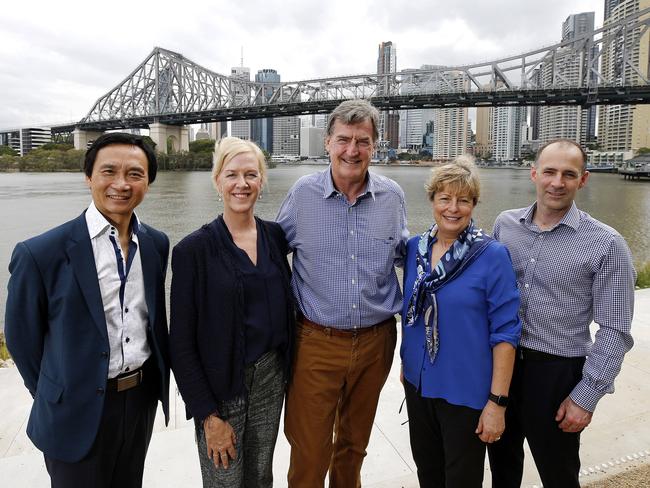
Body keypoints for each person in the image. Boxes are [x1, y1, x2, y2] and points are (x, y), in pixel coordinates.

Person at [5, 132, 170, 488]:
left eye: (135, 174)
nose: (121, 184)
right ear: (89, 177)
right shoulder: (40, 253)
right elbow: (21, 338)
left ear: (149, 182)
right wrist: (57, 391)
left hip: (139, 400)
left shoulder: (157, 244)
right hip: (75, 408)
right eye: (108, 171)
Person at [488, 139, 636, 487]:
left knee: (558, 474)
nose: (557, 182)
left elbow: (615, 329)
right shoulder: (504, 225)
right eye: (550, 172)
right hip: (501, 366)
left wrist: (586, 397)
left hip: (557, 371)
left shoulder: (606, 243)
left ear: (582, 180)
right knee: (502, 468)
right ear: (534, 173)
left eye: (568, 174)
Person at [276, 98, 408, 487]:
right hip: (317, 341)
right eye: (344, 140)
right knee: (310, 450)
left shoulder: (392, 196)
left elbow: (408, 256)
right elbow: (268, 253)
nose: (353, 150)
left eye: (363, 141)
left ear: (375, 145)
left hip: (377, 341)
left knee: (353, 447)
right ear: (328, 144)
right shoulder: (303, 195)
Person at [170, 137, 294, 487]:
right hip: (221, 386)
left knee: (260, 475)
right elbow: (180, 343)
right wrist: (207, 415)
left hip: (271, 378)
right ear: (217, 182)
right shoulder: (192, 250)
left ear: (261, 181)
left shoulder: (274, 236)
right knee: (224, 479)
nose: (242, 184)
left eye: (251, 175)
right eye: (232, 175)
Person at [401, 155, 521, 487]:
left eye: (463, 200)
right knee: (429, 475)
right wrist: (407, 364)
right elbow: (410, 314)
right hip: (418, 385)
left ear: (473, 204)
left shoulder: (491, 255)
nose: (453, 208)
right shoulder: (416, 249)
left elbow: (506, 333)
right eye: (445, 198)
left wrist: (497, 403)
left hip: (466, 392)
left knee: (462, 480)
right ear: (432, 200)